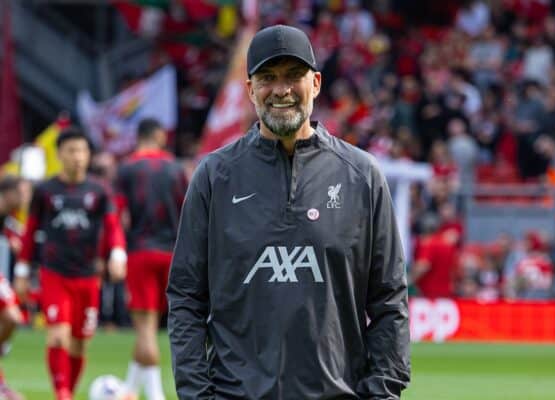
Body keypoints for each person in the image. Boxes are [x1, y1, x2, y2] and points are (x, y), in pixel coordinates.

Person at [167, 24, 410, 399]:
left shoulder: (361, 175)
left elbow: (390, 300)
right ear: (250, 89)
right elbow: (185, 299)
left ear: (315, 83)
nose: (281, 90)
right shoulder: (215, 177)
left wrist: (382, 393)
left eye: (293, 76)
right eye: (267, 77)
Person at [14, 127, 127, 400]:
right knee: (57, 337)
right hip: (54, 273)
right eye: (71, 151)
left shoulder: (99, 191)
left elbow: (112, 227)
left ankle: (68, 392)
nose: (78, 157)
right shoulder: (45, 191)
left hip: (88, 276)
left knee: (78, 346)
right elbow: (30, 232)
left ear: (89, 155)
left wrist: (117, 254)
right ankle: (62, 394)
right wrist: (21, 270)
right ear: (60, 154)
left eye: (82, 151)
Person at [116, 118, 187, 400]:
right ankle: (129, 390)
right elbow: (188, 211)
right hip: (172, 253)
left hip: (141, 252)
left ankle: (156, 396)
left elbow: (120, 215)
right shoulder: (175, 168)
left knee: (145, 329)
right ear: (158, 136)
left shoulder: (128, 168)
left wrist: (116, 252)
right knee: (152, 326)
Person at [0, 177, 25, 400]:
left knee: (12, 317)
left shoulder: (7, 217)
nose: (25, 198)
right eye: (22, 192)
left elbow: (16, 231)